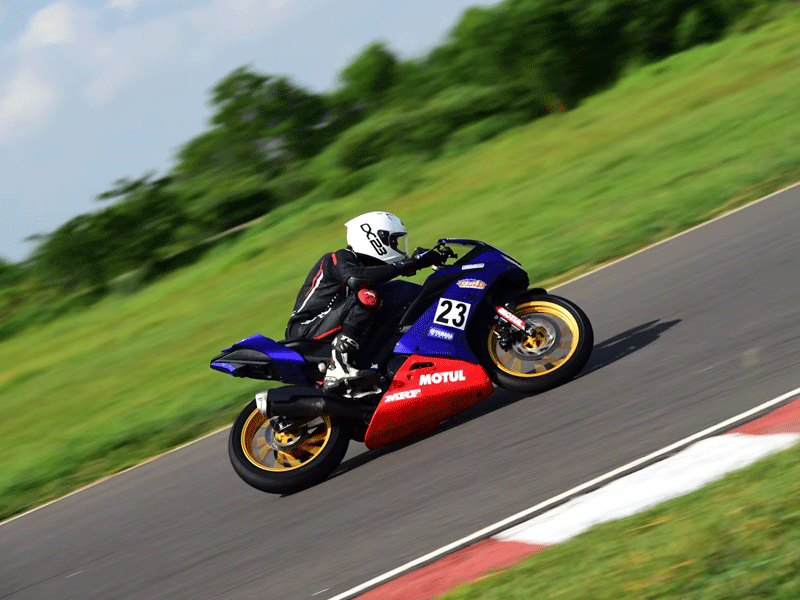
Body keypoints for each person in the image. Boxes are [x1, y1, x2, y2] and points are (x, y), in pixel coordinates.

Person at [285, 211, 441, 393]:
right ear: (375, 239)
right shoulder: (337, 258)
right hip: (305, 330)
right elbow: (355, 279)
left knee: (400, 291)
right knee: (368, 296)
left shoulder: (367, 269)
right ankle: (339, 367)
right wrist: (405, 265)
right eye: (393, 242)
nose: (397, 247)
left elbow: (382, 276)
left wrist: (421, 261)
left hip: (328, 324)